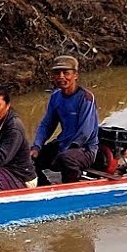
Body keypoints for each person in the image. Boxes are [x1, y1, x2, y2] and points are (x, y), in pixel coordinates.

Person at [31, 55, 99, 184]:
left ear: (75, 75)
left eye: (66, 73)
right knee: (28, 158)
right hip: (62, 144)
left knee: (66, 159)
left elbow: (85, 133)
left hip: (85, 149)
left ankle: (71, 186)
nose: (61, 76)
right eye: (57, 73)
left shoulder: (86, 98)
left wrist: (64, 151)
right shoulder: (56, 96)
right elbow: (47, 125)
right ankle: (44, 187)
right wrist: (37, 146)